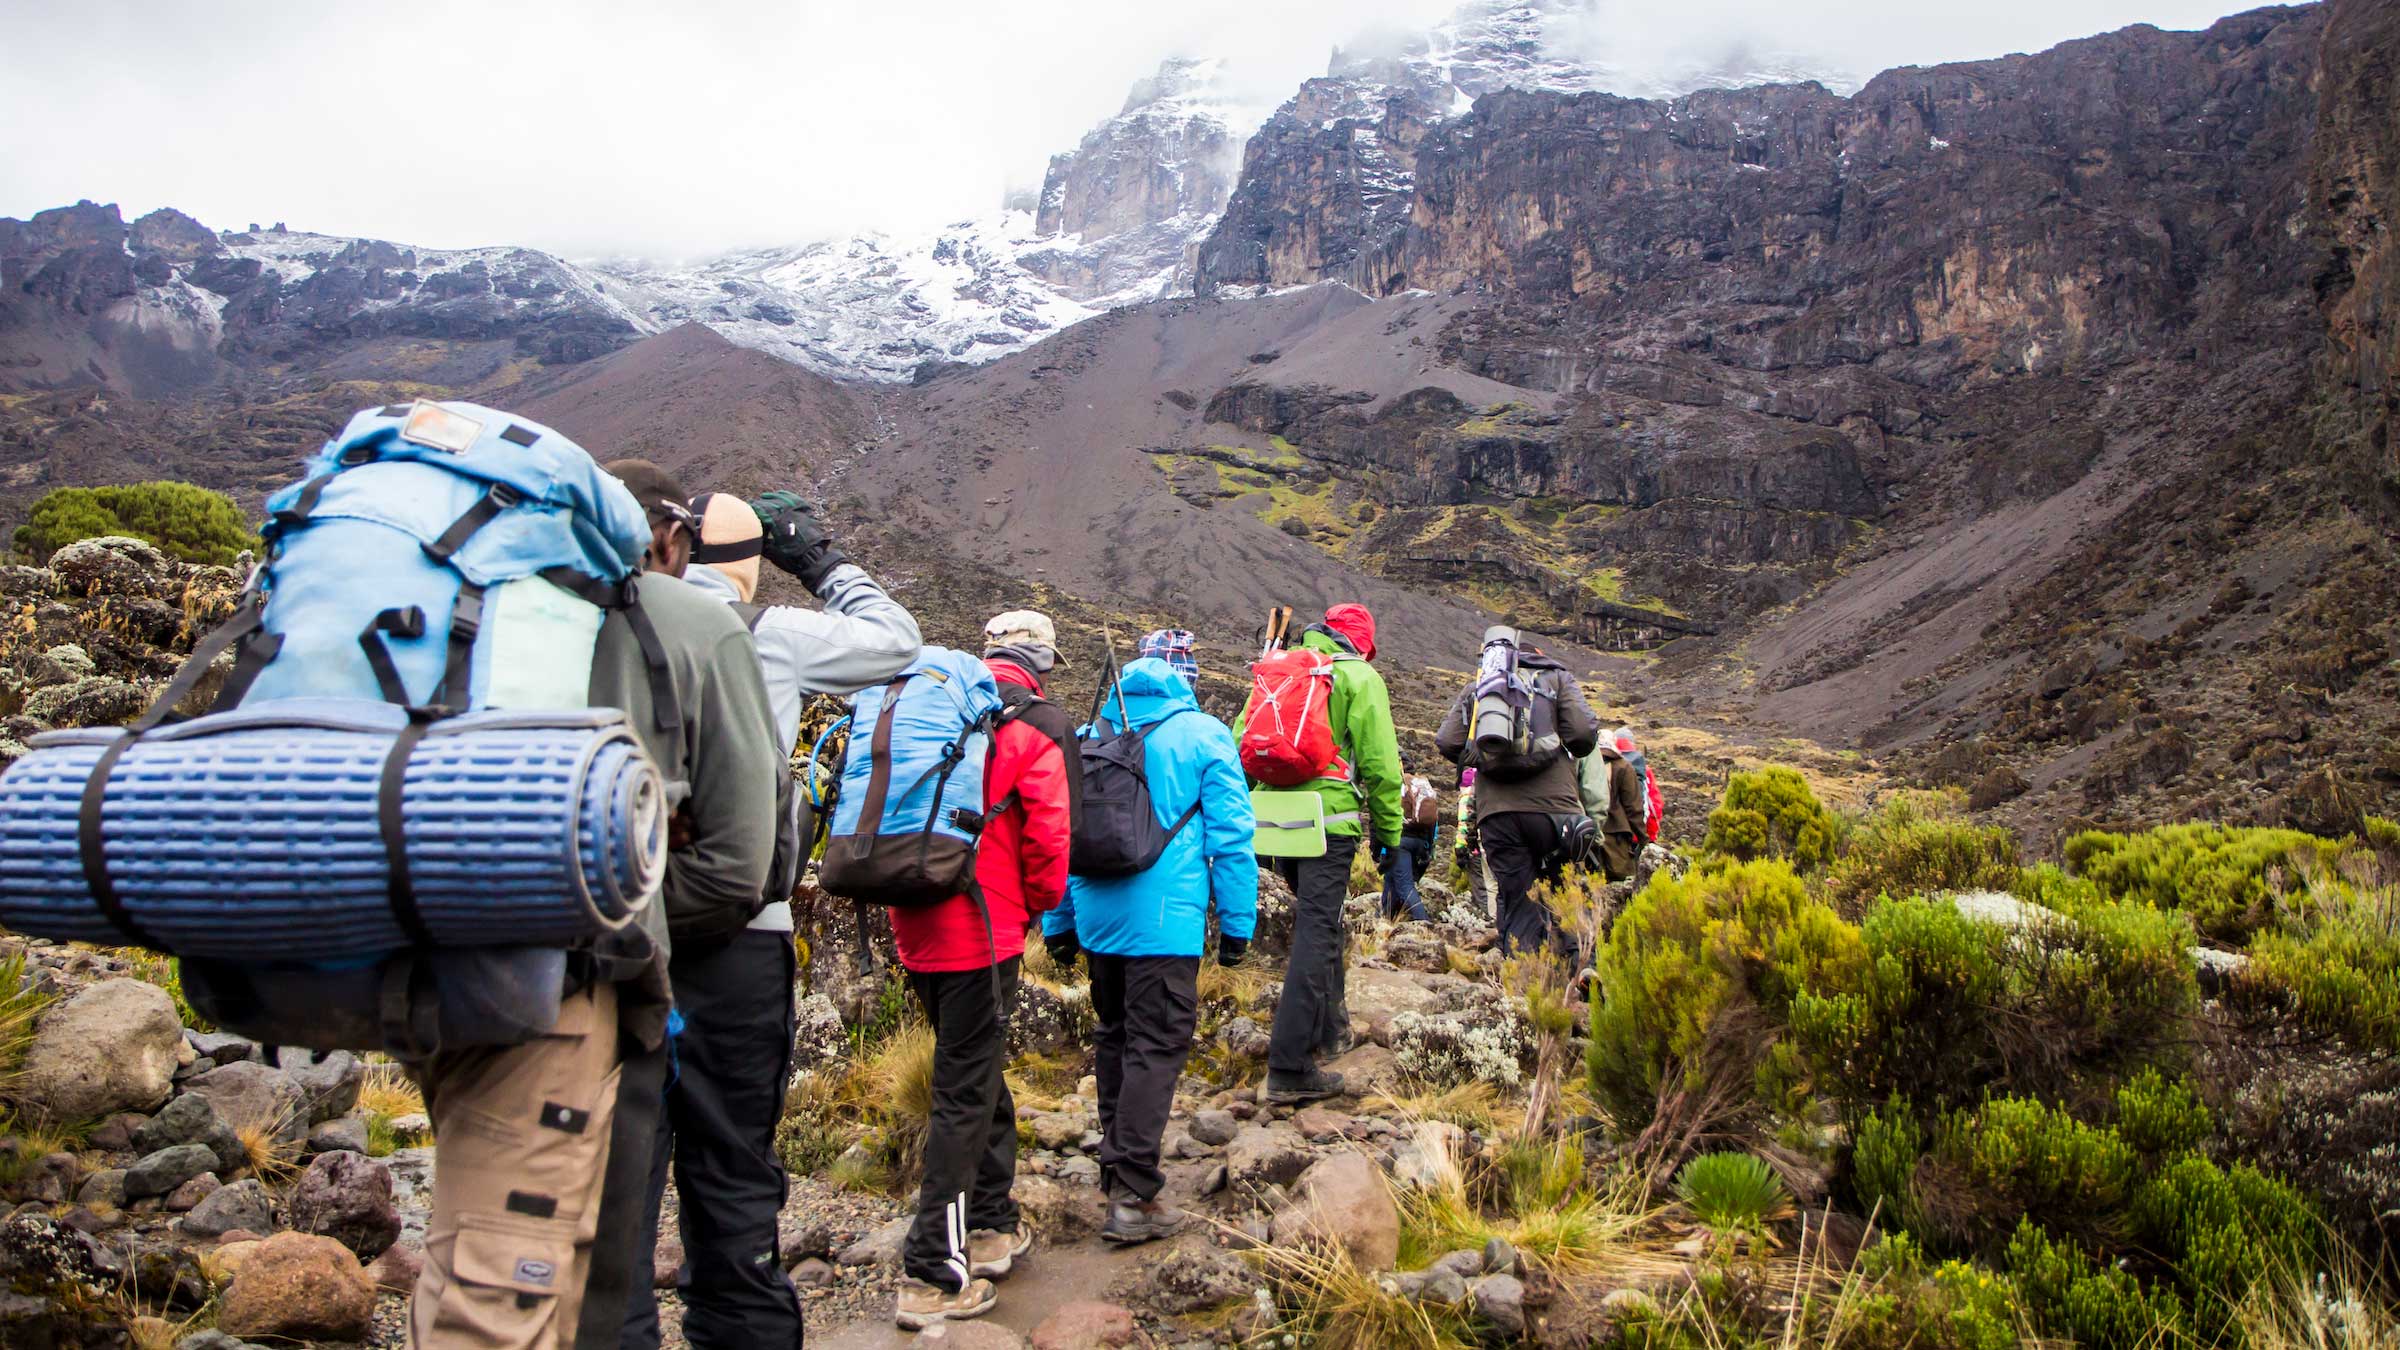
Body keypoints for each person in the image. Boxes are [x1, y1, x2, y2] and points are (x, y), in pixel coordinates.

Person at [411, 455, 780, 1350]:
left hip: (475, 972)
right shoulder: (699, 625)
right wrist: (639, 882)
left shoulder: (467, 619)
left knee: (531, 1242)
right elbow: (740, 866)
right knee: (702, 1209)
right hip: (655, 975)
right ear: (670, 536)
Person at [616, 484, 921, 1350]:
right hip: (739, 940)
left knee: (614, 1187)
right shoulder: (769, 637)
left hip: (611, 934)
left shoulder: (590, 623)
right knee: (733, 1176)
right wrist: (820, 562)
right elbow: (898, 641)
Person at [888, 611, 1073, 1330]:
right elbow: (1051, 842)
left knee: (973, 1070)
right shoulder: (1031, 728)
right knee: (963, 1094)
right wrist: (1038, 909)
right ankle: (932, 1272)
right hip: (982, 929)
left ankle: (992, 1222)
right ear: (1040, 664)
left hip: (913, 919)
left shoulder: (931, 715)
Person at [1043, 656, 1256, 1244]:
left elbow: (1057, 836)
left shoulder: (1088, 735)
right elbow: (1232, 838)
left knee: (1115, 1036)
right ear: (1179, 684)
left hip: (1095, 921)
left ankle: (1116, 1171)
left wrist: (1057, 924)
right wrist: (1238, 925)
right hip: (1165, 923)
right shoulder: (1203, 734)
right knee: (1157, 1045)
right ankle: (1134, 1195)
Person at [1236, 602, 1403, 1104]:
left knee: (1319, 927)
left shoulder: (1278, 669)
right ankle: (1289, 1065)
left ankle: (1332, 1033)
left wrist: (1239, 814)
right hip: (1325, 822)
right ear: (1362, 642)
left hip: (1269, 822)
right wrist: (1389, 835)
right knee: (1316, 929)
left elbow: (1241, 742)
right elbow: (1381, 765)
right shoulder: (1358, 677)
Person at [1436, 637, 1601, 957]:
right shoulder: (1557, 678)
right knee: (1564, 889)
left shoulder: (1481, 687)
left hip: (1498, 815)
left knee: (1517, 903)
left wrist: (1482, 758)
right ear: (1537, 657)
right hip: (1556, 812)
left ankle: (1526, 985)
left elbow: (1446, 741)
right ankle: (1581, 969)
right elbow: (1583, 736)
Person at [1577, 731, 1646, 884]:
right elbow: (1633, 807)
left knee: (1589, 886)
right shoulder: (1624, 766)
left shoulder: (1581, 762)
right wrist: (1644, 839)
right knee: (1619, 886)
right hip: (1617, 839)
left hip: (1585, 834)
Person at [1382, 773, 1439, 921]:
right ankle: (1385, 919)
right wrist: (1429, 847)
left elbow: (1383, 817)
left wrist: (1381, 848)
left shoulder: (1396, 783)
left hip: (1400, 842)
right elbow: (1434, 822)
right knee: (1391, 879)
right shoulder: (1420, 785)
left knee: (1405, 886)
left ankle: (1424, 924)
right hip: (1420, 842)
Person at [1453, 766, 1494, 920]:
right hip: (1491, 844)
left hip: (1475, 848)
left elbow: (1464, 825)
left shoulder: (1466, 799)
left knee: (1481, 887)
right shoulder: (1486, 795)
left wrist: (1460, 848)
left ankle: (1490, 919)